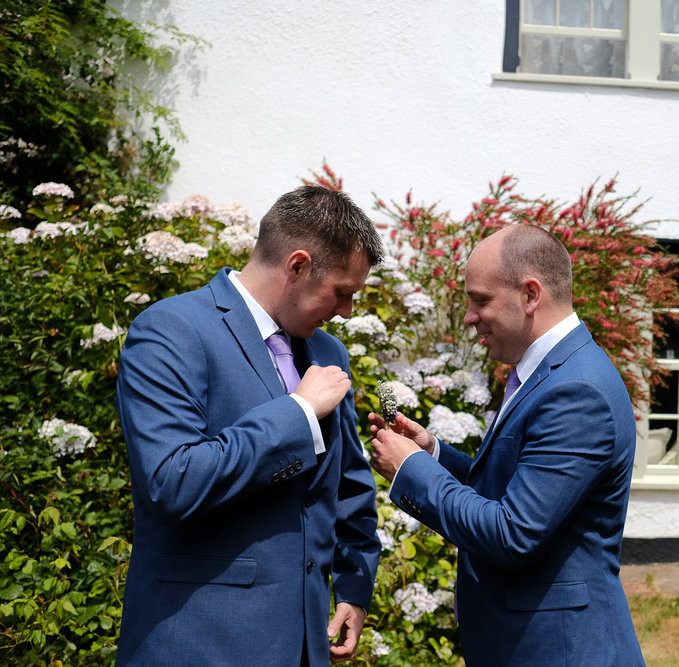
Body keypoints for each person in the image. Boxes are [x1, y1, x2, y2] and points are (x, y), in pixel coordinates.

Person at [115, 185, 383, 665]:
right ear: (297, 265)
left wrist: (354, 588)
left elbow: (349, 488)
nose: (346, 311)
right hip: (198, 642)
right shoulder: (170, 329)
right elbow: (172, 482)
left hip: (302, 648)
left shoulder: (327, 353)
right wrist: (297, 414)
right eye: (342, 293)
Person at [369, 223, 645, 666]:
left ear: (531, 294)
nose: (469, 317)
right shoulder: (550, 372)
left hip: (559, 650)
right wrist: (433, 454)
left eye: (480, 300)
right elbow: (513, 486)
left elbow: (514, 533)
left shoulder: (577, 392)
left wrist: (412, 471)